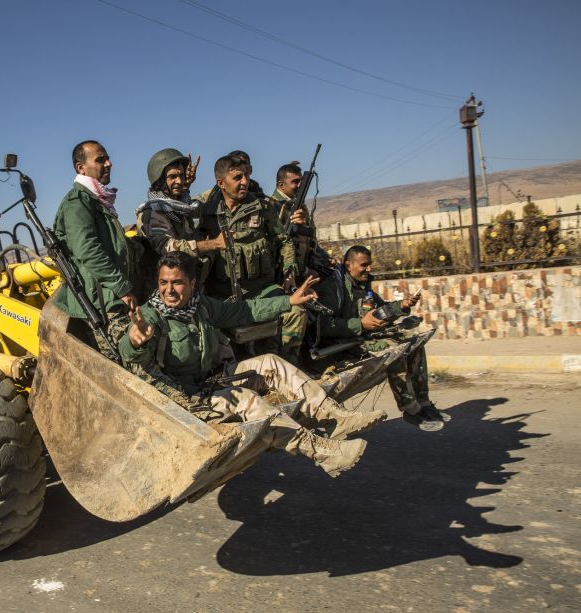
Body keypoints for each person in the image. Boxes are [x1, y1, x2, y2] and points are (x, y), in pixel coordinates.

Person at [119, 251, 385, 477]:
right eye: (163, 282)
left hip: (212, 381)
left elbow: (244, 311)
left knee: (271, 362)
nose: (168, 290)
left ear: (191, 284)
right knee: (247, 400)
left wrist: (289, 301)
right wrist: (135, 340)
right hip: (186, 399)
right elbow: (131, 353)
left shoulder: (201, 307)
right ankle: (321, 452)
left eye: (177, 283)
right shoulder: (152, 316)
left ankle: (336, 416)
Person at [314, 245, 449, 431]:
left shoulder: (362, 284)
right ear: (348, 265)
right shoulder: (334, 288)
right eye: (364, 265)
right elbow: (323, 326)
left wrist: (402, 306)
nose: (368, 269)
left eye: (370, 265)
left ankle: (423, 402)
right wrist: (360, 324)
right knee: (394, 351)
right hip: (343, 344)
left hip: (363, 337)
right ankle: (410, 409)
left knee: (415, 343)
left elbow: (381, 309)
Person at [196, 154, 307, 363]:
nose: (245, 182)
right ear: (221, 183)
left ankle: (286, 369)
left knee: (296, 312)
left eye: (246, 175)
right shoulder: (205, 214)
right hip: (223, 296)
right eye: (237, 177)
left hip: (261, 290)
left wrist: (289, 271)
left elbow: (284, 242)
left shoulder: (263, 208)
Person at [51, 140, 136, 358]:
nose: (108, 163)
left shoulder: (97, 200)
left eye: (107, 158)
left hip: (109, 296)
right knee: (127, 361)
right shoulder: (78, 202)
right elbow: (87, 249)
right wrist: (122, 287)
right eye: (100, 160)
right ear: (81, 168)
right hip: (101, 301)